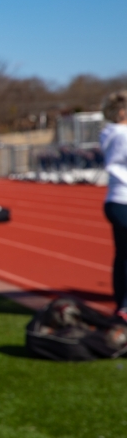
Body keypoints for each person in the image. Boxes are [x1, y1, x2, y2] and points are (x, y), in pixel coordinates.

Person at [100, 90, 127, 323]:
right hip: (123, 199)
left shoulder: (110, 133)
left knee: (122, 255)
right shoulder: (122, 135)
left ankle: (122, 303)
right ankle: (124, 305)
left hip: (115, 199)